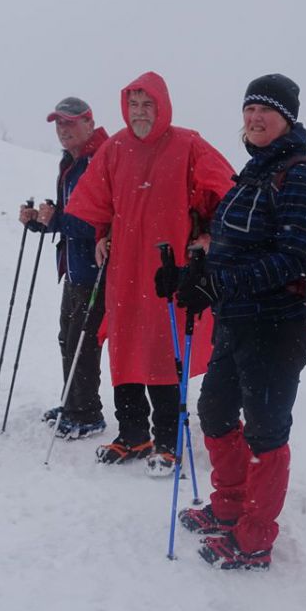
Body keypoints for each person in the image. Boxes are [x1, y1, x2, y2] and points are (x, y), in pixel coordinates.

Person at [161, 74, 306, 571]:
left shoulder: (299, 176)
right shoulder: (255, 172)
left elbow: (293, 258)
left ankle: (255, 538)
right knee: (214, 411)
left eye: (267, 111)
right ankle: (230, 506)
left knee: (265, 429)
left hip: (278, 326)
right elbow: (234, 247)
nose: (255, 118)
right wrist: (193, 273)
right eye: (250, 109)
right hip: (238, 321)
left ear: (288, 119)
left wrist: (218, 286)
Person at [64, 71, 234, 477]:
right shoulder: (116, 148)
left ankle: (168, 440)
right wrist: (103, 233)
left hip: (167, 267)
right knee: (124, 347)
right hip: (124, 267)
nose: (140, 113)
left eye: (147, 105)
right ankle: (132, 433)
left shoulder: (188, 144)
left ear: (162, 107)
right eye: (133, 105)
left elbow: (228, 192)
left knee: (163, 349)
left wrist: (209, 236)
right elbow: (101, 198)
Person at [18, 96, 109, 440]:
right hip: (73, 268)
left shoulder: (100, 159)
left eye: (70, 123)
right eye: (58, 124)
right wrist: (43, 222)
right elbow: (73, 217)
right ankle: (73, 404)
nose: (63, 129)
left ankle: (87, 413)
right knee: (67, 339)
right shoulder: (71, 163)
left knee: (83, 341)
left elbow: (103, 220)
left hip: (96, 269)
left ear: (89, 122)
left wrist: (60, 219)